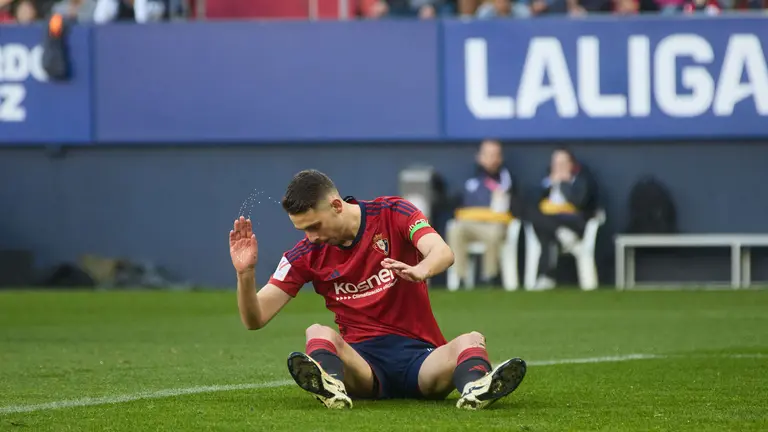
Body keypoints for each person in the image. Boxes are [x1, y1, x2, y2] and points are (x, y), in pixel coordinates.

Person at [228, 169, 527, 410]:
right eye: (303, 230)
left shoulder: (392, 212)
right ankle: (332, 386)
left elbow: (443, 252)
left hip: (422, 359)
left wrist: (421, 270)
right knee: (317, 332)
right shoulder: (305, 254)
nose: (311, 237)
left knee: (471, 339)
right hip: (364, 366)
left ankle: (476, 388)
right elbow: (255, 319)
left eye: (315, 226)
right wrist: (246, 274)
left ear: (336, 206)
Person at [448, 139, 519, 287]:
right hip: (471, 225)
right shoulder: (469, 181)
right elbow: (454, 203)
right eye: (488, 155)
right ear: (479, 157)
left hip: (495, 225)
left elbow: (517, 207)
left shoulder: (507, 180)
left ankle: (489, 278)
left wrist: (505, 199)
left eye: (495, 155)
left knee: (493, 233)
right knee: (455, 229)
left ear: (500, 158)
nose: (492, 159)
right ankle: (460, 278)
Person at [526, 148, 598, 290]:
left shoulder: (581, 182)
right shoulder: (546, 182)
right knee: (538, 219)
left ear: (571, 165)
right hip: (551, 224)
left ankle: (546, 276)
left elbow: (579, 203)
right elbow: (534, 203)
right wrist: (549, 184)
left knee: (546, 228)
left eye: (562, 163)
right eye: (555, 163)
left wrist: (564, 184)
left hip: (572, 222)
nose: (558, 167)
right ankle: (559, 233)